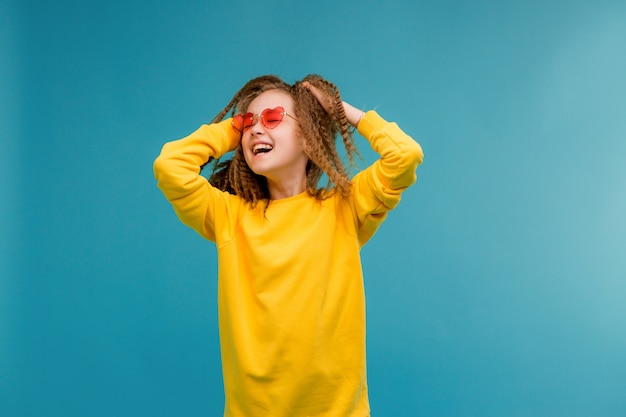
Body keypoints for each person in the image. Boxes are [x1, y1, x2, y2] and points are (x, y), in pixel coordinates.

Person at [153, 74, 424, 417]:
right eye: (247, 122)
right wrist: (229, 130)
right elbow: (170, 166)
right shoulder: (229, 216)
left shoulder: (344, 207)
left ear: (308, 136)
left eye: (272, 118)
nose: (255, 129)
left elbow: (405, 155)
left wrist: (343, 113)